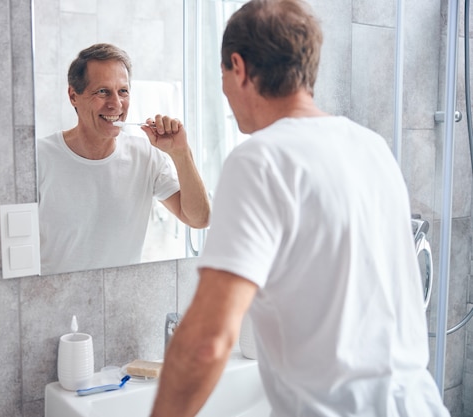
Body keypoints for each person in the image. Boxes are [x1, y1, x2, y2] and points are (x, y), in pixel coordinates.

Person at [150, 1, 450, 416]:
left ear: (238, 67)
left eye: (221, 74)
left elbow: (207, 342)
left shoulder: (260, 160)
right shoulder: (372, 148)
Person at [38, 43, 210, 275]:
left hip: (122, 300)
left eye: (123, 91)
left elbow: (199, 219)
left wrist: (180, 153)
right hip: (56, 303)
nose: (116, 104)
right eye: (102, 91)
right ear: (73, 96)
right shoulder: (40, 157)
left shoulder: (146, 156)